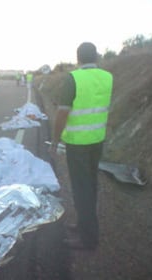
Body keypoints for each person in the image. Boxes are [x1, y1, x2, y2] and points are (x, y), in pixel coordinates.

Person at [51, 42, 113, 250]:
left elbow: (62, 113)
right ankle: (83, 225)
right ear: (96, 57)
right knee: (91, 186)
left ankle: (88, 239)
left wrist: (56, 140)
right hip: (97, 141)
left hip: (78, 143)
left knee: (81, 189)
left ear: (78, 58)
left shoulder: (73, 79)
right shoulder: (107, 77)